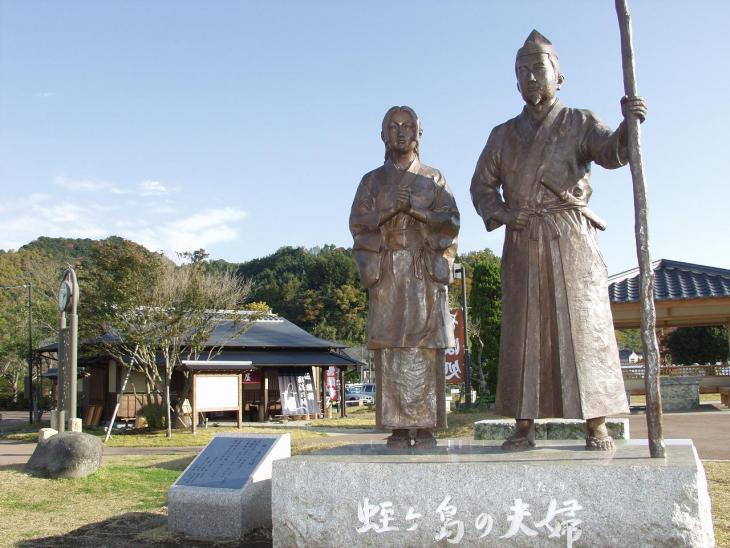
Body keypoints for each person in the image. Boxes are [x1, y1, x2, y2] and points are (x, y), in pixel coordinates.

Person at [470, 30, 647, 451]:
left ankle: (596, 423)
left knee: (583, 327)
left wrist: (628, 125)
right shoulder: (502, 135)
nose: (531, 77)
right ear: (516, 82)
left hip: (570, 235)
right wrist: (503, 213)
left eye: (539, 68)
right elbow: (481, 187)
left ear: (558, 76)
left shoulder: (579, 121)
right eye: (523, 71)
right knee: (523, 328)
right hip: (523, 235)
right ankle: (523, 423)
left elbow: (612, 154)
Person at [350, 106, 460, 448]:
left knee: (426, 343)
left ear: (419, 133)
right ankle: (396, 425)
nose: (401, 131)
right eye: (393, 126)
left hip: (422, 272)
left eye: (408, 126)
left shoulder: (433, 178)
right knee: (390, 343)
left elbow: (451, 221)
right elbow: (358, 223)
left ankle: (426, 424)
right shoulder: (371, 181)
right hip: (387, 274)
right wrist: (390, 211)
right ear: (383, 135)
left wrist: (415, 209)